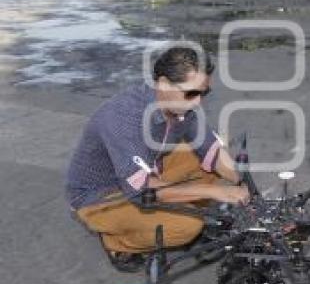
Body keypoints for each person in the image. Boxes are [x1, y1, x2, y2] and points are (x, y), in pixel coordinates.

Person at [66, 46, 249, 272]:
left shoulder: (181, 108)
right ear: (163, 83)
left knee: (215, 151)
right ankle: (117, 243)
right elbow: (141, 192)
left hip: (145, 170)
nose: (197, 102)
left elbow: (210, 148)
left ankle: (183, 208)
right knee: (188, 226)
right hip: (101, 197)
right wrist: (213, 192)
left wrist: (243, 183)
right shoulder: (124, 118)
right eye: (191, 93)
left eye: (204, 93)